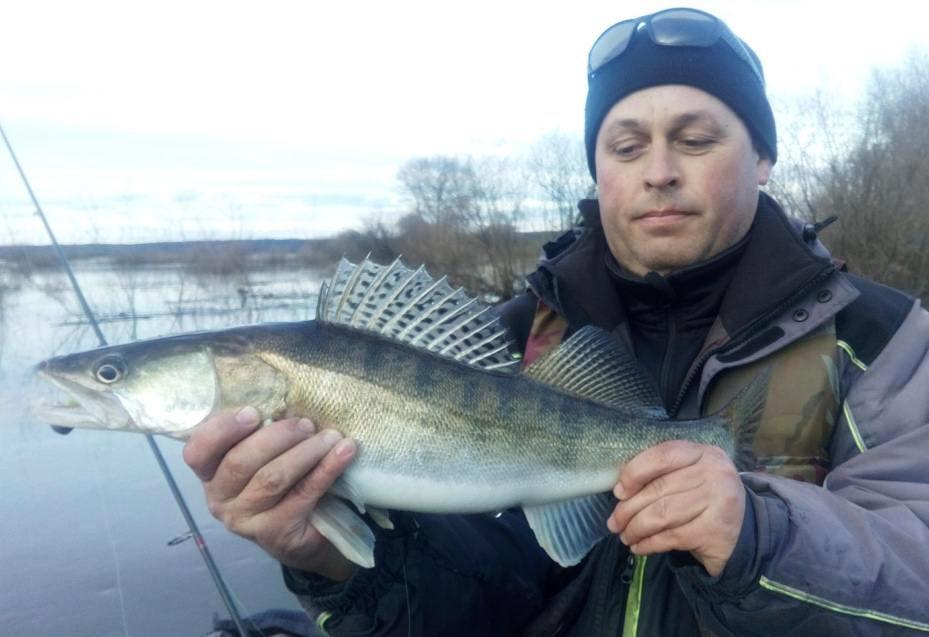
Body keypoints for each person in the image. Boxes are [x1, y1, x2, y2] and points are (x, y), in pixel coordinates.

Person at [183, 8, 929, 636]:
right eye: (625, 144)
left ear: (762, 156)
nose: (658, 170)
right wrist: (331, 562)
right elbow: (482, 603)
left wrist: (760, 536)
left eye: (695, 139)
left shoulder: (883, 339)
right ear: (597, 167)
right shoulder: (500, 345)